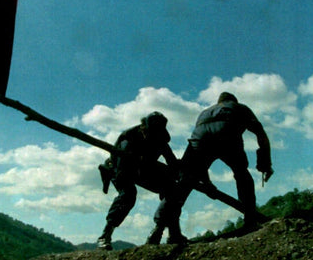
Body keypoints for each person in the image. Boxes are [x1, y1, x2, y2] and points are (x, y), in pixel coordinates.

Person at [149, 92, 273, 243]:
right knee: (242, 175)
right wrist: (265, 164)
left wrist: (207, 183)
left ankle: (158, 229)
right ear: (232, 101)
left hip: (199, 141)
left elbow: (202, 161)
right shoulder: (239, 107)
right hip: (226, 134)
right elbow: (260, 133)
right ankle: (250, 220)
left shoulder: (204, 113)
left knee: (184, 184)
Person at [96, 112, 180, 250]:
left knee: (172, 189)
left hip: (143, 168)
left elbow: (171, 161)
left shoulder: (161, 138)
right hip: (119, 166)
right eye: (150, 132)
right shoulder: (128, 139)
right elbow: (123, 171)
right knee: (128, 195)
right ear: (143, 128)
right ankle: (105, 236)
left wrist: (178, 172)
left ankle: (173, 234)